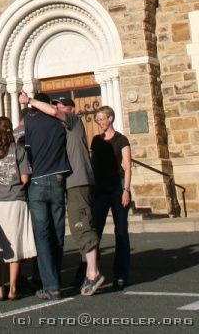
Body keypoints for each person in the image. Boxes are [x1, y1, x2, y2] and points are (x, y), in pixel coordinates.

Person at [18, 92, 70, 301]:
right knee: (57, 233)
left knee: (42, 234)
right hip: (58, 180)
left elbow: (26, 152)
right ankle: (55, 278)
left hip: (38, 181)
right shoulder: (60, 123)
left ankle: (51, 285)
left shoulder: (30, 123)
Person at [0, 117, 36, 301]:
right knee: (14, 244)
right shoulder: (19, 150)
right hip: (16, 200)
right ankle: (13, 288)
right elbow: (25, 179)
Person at [91, 105, 132, 290]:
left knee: (121, 231)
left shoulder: (121, 140)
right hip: (100, 190)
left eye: (102, 119)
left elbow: (128, 166)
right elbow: (93, 165)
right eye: (97, 119)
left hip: (117, 188)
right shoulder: (96, 140)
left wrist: (126, 189)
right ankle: (91, 271)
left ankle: (121, 274)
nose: (100, 122)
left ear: (111, 118)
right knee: (95, 232)